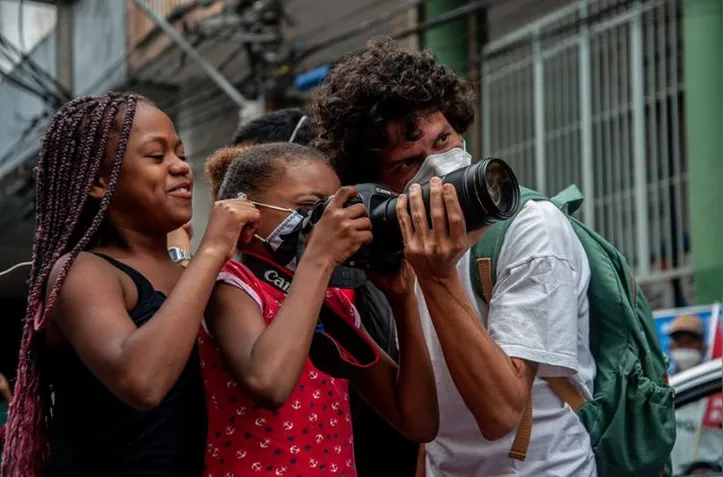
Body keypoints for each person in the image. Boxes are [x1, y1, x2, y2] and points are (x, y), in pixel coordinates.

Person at [311, 38, 598, 477]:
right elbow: (427, 423)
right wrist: (404, 295)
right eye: (409, 164)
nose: (442, 167)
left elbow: (500, 414)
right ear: (380, 187)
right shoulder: (405, 245)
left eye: (444, 139)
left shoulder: (531, 228)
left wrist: (438, 278)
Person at [1, 92, 259, 477]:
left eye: (181, 155)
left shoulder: (188, 270)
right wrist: (212, 249)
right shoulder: (81, 272)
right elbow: (141, 381)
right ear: (100, 182)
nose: (181, 169)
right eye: (157, 157)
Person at [176, 109, 420, 476]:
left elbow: (416, 420)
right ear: (245, 218)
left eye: (335, 208)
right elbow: (269, 382)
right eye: (310, 208)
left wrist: (404, 298)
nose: (327, 223)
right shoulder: (230, 284)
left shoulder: (333, 300)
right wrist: (319, 261)